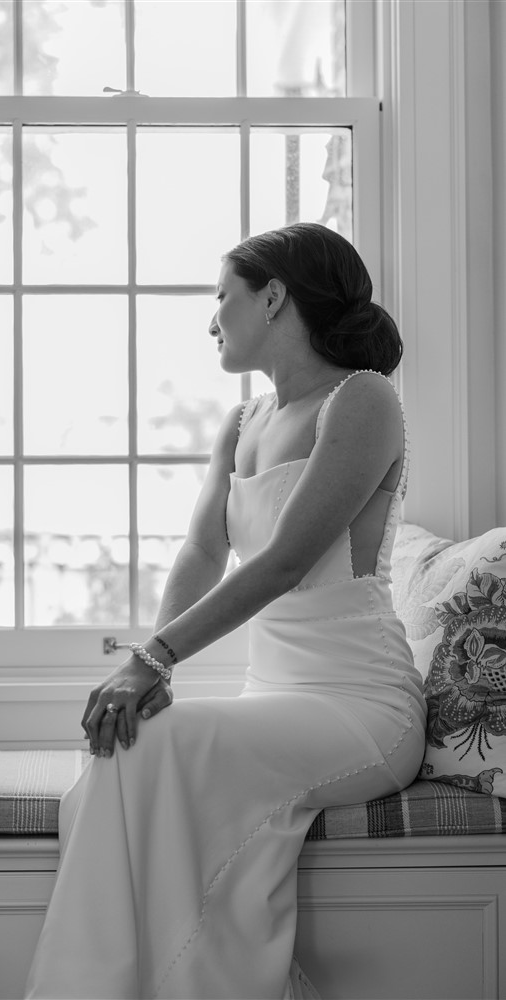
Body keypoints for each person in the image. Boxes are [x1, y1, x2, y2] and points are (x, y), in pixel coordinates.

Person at [24, 223, 427, 1000]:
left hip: (361, 706)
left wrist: (152, 659)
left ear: (272, 297)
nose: (210, 321)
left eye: (221, 298)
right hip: (271, 698)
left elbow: (279, 563)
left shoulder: (363, 399)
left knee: (149, 747)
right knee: (134, 743)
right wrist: (156, 674)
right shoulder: (239, 423)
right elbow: (201, 555)